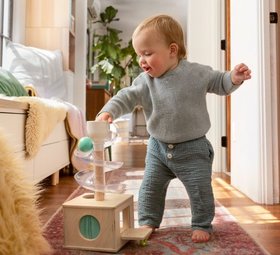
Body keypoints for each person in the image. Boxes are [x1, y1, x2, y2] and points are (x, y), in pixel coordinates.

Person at [96, 14, 251, 243]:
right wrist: (107, 111)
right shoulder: (144, 81)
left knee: (199, 190)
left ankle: (201, 223)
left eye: (148, 53)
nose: (142, 60)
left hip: (193, 149)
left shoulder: (196, 73)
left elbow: (219, 82)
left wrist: (234, 78)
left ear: (172, 50)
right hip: (158, 149)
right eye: (139, 54)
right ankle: (148, 220)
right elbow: (125, 97)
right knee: (150, 188)